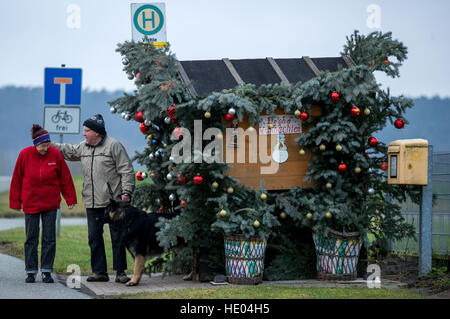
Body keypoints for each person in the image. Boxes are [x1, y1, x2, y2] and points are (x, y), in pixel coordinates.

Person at [51, 114, 135, 283]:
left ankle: (120, 273)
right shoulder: (83, 147)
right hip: (91, 201)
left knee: (117, 238)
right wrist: (47, 142)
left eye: (87, 130)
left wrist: (126, 193)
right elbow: (68, 151)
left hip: (113, 203)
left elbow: (126, 170)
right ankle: (100, 272)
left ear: (97, 132)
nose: (84, 134)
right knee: (94, 238)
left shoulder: (114, 146)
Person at [9, 124, 77, 283]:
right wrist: (15, 202)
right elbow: (17, 179)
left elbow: (65, 178)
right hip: (30, 203)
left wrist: (70, 199)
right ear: (35, 143)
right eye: (42, 145)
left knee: (49, 238)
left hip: (50, 203)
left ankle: (46, 270)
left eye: (47, 144)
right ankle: (30, 271)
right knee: (31, 237)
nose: (45, 148)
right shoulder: (24, 154)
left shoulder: (55, 155)